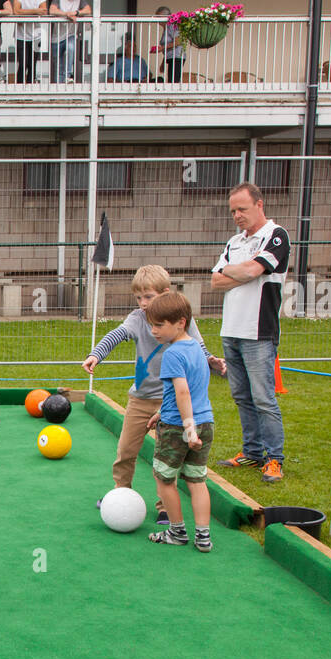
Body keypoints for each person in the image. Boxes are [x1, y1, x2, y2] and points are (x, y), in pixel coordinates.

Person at [81, 264, 224, 524]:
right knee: (126, 450)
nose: (143, 303)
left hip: (171, 404)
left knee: (164, 457)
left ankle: (164, 507)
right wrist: (95, 355)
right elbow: (116, 335)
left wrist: (210, 360)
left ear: (165, 293)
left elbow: (198, 348)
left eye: (149, 297)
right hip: (140, 399)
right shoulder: (137, 318)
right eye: (139, 297)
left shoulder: (182, 320)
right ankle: (120, 492)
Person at [211, 182, 290, 483]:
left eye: (242, 209)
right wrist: (240, 271)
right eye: (233, 211)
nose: (237, 215)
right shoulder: (234, 241)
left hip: (259, 331)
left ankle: (274, 459)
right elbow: (215, 281)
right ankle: (252, 452)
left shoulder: (276, 235)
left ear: (259, 204)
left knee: (263, 397)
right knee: (241, 395)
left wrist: (238, 271)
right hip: (231, 329)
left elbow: (252, 272)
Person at [142, 292, 215, 551]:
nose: (153, 331)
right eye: (152, 324)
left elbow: (183, 391)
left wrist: (187, 428)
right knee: (197, 480)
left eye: (159, 325)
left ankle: (176, 531)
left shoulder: (172, 354)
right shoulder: (196, 348)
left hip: (179, 428)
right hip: (206, 423)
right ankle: (204, 537)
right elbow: (191, 390)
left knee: (163, 479)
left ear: (181, 322)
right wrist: (161, 411)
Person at [48, 0, 89, 83]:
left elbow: (88, 10)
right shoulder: (58, 0)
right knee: (58, 67)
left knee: (70, 48)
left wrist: (75, 13)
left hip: (70, 35)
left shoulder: (79, 1)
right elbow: (52, 10)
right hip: (56, 38)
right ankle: (58, 90)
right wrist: (67, 14)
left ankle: (67, 76)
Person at [11, 0, 48, 84]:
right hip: (21, 36)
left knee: (32, 65)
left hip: (36, 36)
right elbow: (16, 11)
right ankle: (19, 88)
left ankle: (30, 89)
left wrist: (23, 12)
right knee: (23, 64)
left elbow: (44, 11)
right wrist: (35, 11)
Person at [151, 6, 186, 82]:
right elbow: (168, 47)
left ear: (166, 16)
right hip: (171, 58)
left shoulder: (171, 25)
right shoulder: (166, 27)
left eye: (159, 17)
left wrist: (161, 48)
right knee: (171, 81)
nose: (158, 19)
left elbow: (178, 41)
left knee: (173, 82)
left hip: (177, 57)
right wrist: (163, 62)